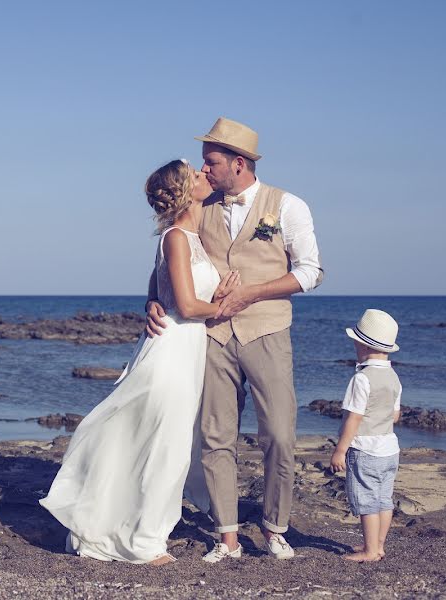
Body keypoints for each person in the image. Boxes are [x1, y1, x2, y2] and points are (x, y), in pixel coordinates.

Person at [40, 160, 238, 564]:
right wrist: (223, 305)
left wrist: (158, 301)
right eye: (195, 175)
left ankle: (134, 528)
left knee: (167, 443)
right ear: (185, 191)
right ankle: (145, 542)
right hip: (172, 349)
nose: (204, 174)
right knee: (165, 445)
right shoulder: (177, 238)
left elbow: (159, 290)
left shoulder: (188, 238)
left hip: (188, 349)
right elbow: (184, 304)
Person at [146, 118, 324, 562]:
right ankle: (227, 536)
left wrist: (252, 293)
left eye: (211, 164)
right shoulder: (197, 208)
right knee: (215, 435)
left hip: (267, 331)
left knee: (280, 434)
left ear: (238, 164)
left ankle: (274, 527)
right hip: (211, 336)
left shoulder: (287, 206)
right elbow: (165, 263)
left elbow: (310, 272)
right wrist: (152, 301)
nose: (204, 172)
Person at [330, 309, 402, 562]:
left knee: (367, 502)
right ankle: (379, 546)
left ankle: (370, 551)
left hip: (365, 450)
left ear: (362, 345)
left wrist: (340, 450)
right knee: (384, 500)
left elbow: (354, 419)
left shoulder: (361, 379)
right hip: (389, 449)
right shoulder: (393, 377)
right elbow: (395, 415)